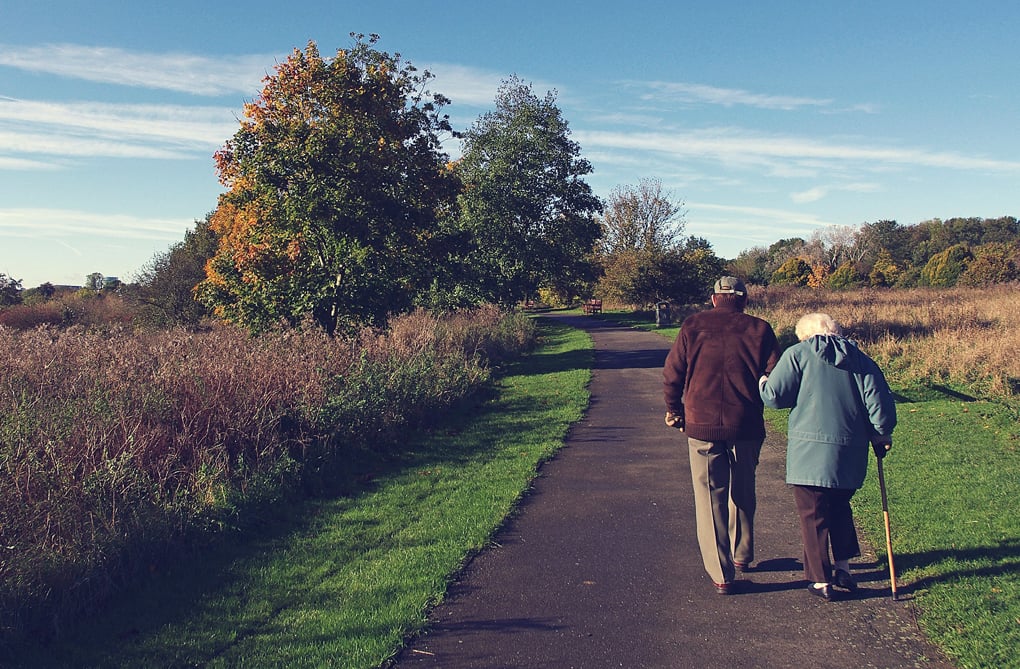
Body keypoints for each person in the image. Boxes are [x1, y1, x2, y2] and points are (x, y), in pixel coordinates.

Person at [758, 312, 896, 601]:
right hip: (850, 451)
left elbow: (775, 397)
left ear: (805, 335)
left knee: (813, 514)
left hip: (809, 452)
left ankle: (820, 580)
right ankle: (843, 567)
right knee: (839, 506)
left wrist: (762, 382)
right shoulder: (861, 360)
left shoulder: (798, 354)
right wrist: (882, 434)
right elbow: (879, 407)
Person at [662, 276, 780, 594]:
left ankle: (722, 573)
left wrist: (674, 410)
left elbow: (672, 372)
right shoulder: (760, 329)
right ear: (743, 299)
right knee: (743, 489)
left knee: (709, 497)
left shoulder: (693, 325)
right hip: (746, 424)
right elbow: (775, 374)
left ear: (714, 298)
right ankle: (742, 554)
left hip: (702, 424)